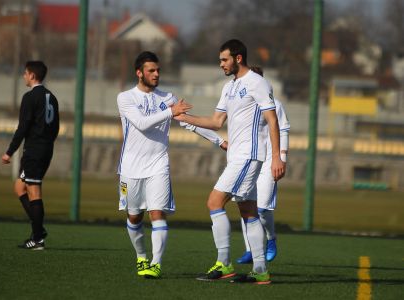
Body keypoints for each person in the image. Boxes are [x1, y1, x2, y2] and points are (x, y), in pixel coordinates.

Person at [174, 39, 285, 284]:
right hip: (237, 156)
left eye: (224, 59)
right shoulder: (229, 87)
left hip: (249, 155)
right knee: (248, 211)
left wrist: (277, 156)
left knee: (214, 201)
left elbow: (273, 120)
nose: (220, 64)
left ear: (237, 58)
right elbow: (216, 122)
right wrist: (185, 117)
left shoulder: (257, 82)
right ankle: (260, 270)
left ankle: (224, 264)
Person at [117, 51, 226, 279]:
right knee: (134, 216)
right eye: (151, 71)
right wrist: (169, 112)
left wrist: (220, 141)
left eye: (158, 70)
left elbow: (189, 123)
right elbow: (141, 123)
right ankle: (141, 257)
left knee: (157, 213)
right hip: (130, 168)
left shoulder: (167, 98)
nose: (156, 74)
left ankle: (155, 265)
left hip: (158, 165)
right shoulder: (125, 98)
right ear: (139, 73)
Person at [2, 61, 59, 250]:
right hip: (46, 148)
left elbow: (23, 127)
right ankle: (38, 230)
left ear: (33, 75)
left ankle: (38, 238)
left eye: (25, 73)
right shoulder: (52, 98)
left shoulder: (29, 97)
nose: (24, 76)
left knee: (33, 191)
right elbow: (55, 127)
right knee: (20, 187)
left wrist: (10, 151)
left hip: (34, 149)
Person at [236, 66, 290, 264]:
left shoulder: (275, 104)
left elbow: (282, 129)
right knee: (245, 205)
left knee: (262, 208)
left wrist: (281, 157)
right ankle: (250, 248)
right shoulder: (241, 104)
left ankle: (271, 239)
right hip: (246, 161)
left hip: (269, 161)